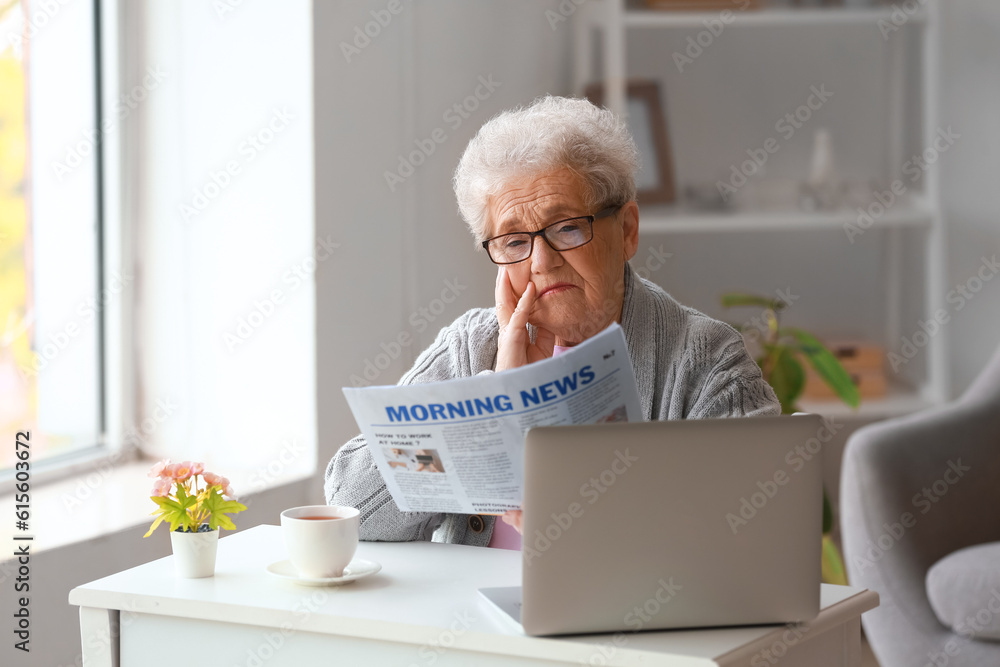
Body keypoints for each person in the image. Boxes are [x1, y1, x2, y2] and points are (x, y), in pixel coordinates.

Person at [325, 95, 780, 548]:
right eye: (514, 240)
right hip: (474, 620)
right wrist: (494, 402)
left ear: (626, 231)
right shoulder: (473, 346)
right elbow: (350, 510)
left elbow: (755, 543)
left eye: (566, 228)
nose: (541, 262)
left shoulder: (708, 365)